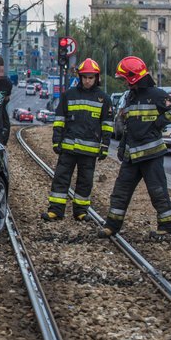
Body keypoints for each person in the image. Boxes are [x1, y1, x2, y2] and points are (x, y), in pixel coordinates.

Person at [99, 56, 171, 241]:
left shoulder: (157, 94)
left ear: (133, 77)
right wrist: (122, 146)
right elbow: (127, 126)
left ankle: (167, 227)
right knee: (120, 191)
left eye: (124, 78)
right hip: (131, 155)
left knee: (158, 192)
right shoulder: (130, 97)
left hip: (151, 155)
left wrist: (157, 124)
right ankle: (111, 226)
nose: (124, 83)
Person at [42, 58, 113, 222]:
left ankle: (81, 212)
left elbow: (107, 125)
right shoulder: (68, 95)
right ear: (80, 77)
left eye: (91, 77)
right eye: (85, 77)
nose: (87, 81)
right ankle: (55, 211)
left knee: (85, 182)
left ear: (96, 78)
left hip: (89, 151)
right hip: (68, 148)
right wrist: (56, 140)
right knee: (60, 178)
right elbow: (59, 120)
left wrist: (105, 146)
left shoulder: (104, 99)